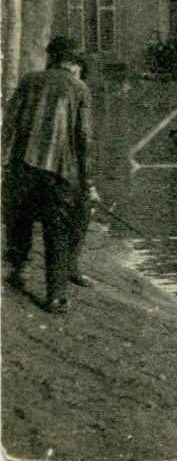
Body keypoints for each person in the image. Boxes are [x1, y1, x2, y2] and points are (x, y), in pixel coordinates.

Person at [3, 36, 96, 313]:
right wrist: (87, 180)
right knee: (57, 231)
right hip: (59, 172)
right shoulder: (80, 89)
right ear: (74, 62)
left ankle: (19, 270)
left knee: (19, 220)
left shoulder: (29, 81)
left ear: (51, 57)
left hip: (22, 166)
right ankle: (55, 296)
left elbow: (9, 123)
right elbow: (83, 138)